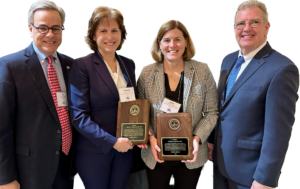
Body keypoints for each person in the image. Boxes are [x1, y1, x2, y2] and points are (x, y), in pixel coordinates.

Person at [207, 0, 299, 188]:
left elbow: (278, 133)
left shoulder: (281, 69)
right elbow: (222, 108)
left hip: (250, 176)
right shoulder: (227, 60)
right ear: (234, 29)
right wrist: (210, 141)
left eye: (254, 22)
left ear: (267, 26)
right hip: (220, 167)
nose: (246, 28)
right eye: (241, 23)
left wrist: (264, 179)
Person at [0, 0, 76, 189]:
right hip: (29, 170)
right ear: (30, 29)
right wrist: (5, 178)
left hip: (66, 167)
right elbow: (2, 127)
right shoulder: (10, 65)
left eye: (56, 28)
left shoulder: (71, 65)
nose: (50, 34)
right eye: (43, 28)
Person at [137, 19, 218, 189]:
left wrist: (197, 138)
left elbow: (212, 112)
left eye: (177, 39)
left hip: (190, 155)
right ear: (159, 44)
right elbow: (140, 114)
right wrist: (150, 138)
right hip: (156, 153)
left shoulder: (203, 71)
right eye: (166, 40)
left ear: (186, 41)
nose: (172, 45)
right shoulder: (146, 73)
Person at [68, 4, 136, 189]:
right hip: (94, 152)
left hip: (125, 150)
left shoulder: (128, 64)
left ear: (122, 34)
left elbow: (133, 106)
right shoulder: (83, 65)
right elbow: (78, 116)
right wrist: (113, 142)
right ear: (93, 34)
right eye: (103, 30)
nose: (109, 36)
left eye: (115, 30)